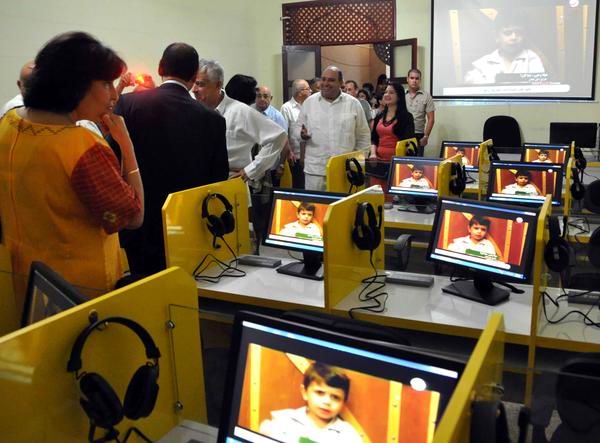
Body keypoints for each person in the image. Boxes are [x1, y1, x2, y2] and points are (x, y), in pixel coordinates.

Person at [0, 32, 144, 312]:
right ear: (75, 86)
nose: (114, 94)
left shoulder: (9, 123)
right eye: (105, 83)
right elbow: (133, 216)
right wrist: (127, 146)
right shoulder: (82, 147)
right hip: (76, 291)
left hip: (21, 277)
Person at [114, 43, 228, 277]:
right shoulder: (211, 119)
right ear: (195, 75)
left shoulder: (128, 105)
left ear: (159, 68)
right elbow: (219, 176)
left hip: (140, 221)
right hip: (186, 223)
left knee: (143, 285)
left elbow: (115, 162)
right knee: (185, 285)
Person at [193, 61, 286, 252]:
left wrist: (250, 171)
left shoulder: (240, 112)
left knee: (232, 246)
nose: (195, 89)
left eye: (201, 84)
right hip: (199, 186)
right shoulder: (192, 109)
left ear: (218, 85)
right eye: (193, 83)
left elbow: (278, 137)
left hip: (231, 183)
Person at [296, 66, 371, 191]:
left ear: (341, 83)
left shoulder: (353, 104)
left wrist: (356, 165)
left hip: (345, 172)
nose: (325, 83)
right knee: (316, 208)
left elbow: (363, 136)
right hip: (316, 172)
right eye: (323, 79)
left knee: (343, 209)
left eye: (331, 80)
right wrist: (301, 134)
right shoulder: (309, 103)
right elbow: (297, 129)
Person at [259, 362, 362, 443]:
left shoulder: (349, 436)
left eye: (335, 397)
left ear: (343, 402)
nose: (327, 402)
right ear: (305, 392)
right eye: (320, 393)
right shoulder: (282, 421)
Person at [464, 16, 545, 85]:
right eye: (507, 33)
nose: (514, 37)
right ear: (497, 37)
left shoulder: (532, 58)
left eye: (518, 33)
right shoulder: (482, 64)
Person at [369, 80, 415, 193]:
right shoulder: (379, 116)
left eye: (391, 92)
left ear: (399, 97)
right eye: (385, 92)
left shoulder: (406, 117)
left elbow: (408, 143)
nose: (387, 95)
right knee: (377, 195)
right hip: (377, 162)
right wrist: (373, 153)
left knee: (391, 198)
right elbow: (373, 139)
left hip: (396, 164)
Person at [281, 79, 312, 189]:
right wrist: (289, 151)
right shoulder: (287, 108)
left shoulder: (310, 106)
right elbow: (284, 132)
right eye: (308, 89)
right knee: (299, 185)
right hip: (296, 156)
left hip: (311, 155)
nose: (311, 91)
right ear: (300, 92)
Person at [405, 69, 435, 153]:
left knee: (417, 164)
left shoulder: (426, 96)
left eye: (417, 78)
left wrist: (426, 136)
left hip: (419, 135)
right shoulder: (402, 95)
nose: (414, 81)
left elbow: (431, 119)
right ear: (407, 79)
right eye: (412, 78)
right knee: (402, 162)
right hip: (403, 134)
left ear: (420, 80)